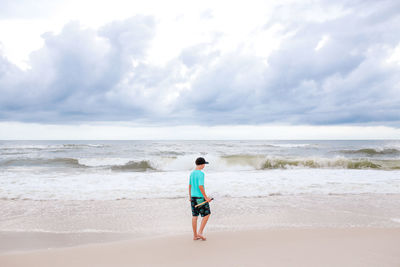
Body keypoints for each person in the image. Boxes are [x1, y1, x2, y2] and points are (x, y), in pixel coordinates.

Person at [189, 157, 213, 241]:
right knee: (207, 214)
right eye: (204, 164)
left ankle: (195, 235)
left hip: (193, 197)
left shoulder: (192, 173)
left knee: (194, 216)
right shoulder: (201, 174)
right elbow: (200, 186)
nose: (204, 166)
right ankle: (200, 232)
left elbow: (190, 186)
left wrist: (190, 196)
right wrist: (206, 198)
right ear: (202, 164)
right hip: (200, 198)